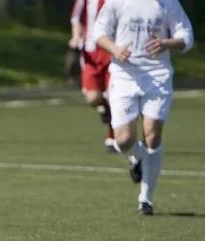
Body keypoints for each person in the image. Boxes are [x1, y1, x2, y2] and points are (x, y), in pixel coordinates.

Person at [94, 0, 194, 216]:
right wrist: (115, 48)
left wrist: (167, 43)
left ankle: (146, 198)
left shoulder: (168, 3)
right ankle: (137, 157)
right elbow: (99, 32)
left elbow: (186, 37)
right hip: (124, 76)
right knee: (123, 140)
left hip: (157, 76)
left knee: (152, 136)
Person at [69, 0, 116, 153]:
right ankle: (105, 108)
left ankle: (112, 137)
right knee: (92, 98)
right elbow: (77, 18)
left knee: (114, 98)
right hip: (91, 53)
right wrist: (76, 37)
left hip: (113, 53)